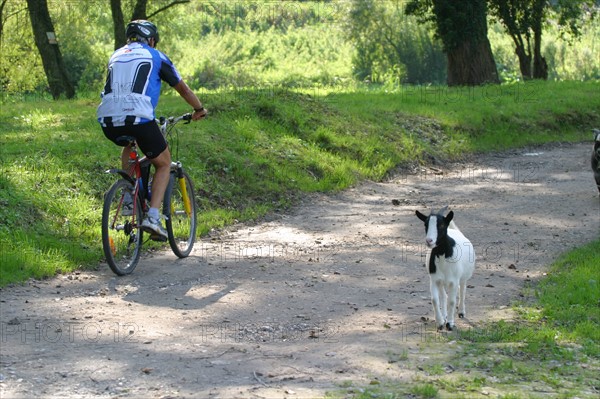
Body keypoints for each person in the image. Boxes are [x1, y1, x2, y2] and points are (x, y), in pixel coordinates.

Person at [97, 20, 207, 240]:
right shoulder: (156, 56)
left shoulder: (116, 55)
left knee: (130, 143)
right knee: (164, 163)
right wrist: (199, 108)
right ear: (151, 39)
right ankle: (153, 218)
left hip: (107, 120)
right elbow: (182, 88)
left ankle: (129, 196)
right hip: (139, 118)